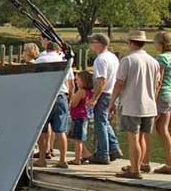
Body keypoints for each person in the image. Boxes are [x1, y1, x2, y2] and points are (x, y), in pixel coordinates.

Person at [109, 30, 161, 179]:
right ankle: (139, 164)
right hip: (149, 105)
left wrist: (111, 102)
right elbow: (157, 84)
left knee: (133, 138)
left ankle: (134, 170)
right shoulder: (153, 61)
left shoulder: (128, 60)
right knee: (142, 138)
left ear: (131, 42)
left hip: (132, 105)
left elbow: (119, 83)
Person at [34, 42, 73, 168]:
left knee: (42, 131)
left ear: (46, 49)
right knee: (61, 131)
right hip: (61, 96)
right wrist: (70, 98)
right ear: (57, 50)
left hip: (43, 97)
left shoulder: (39, 60)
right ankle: (62, 160)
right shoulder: (64, 61)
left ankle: (42, 159)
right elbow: (70, 83)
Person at [87, 33, 124, 164]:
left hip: (103, 94)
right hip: (111, 93)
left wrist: (94, 98)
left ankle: (103, 154)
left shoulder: (100, 59)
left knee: (100, 124)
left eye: (92, 42)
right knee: (104, 122)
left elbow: (101, 80)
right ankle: (114, 148)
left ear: (99, 43)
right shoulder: (113, 57)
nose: (91, 44)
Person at [153, 32, 171, 174]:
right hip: (169, 95)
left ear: (160, 43)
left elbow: (158, 80)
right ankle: (169, 163)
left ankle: (141, 163)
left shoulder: (161, 58)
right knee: (162, 129)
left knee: (144, 128)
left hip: (161, 95)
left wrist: (152, 97)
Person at [69, 70, 94, 165]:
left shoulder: (81, 91)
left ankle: (77, 159)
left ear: (83, 81)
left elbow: (74, 104)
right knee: (77, 138)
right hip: (83, 117)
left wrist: (71, 99)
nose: (76, 82)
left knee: (77, 140)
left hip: (78, 117)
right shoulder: (89, 92)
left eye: (77, 80)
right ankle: (86, 153)